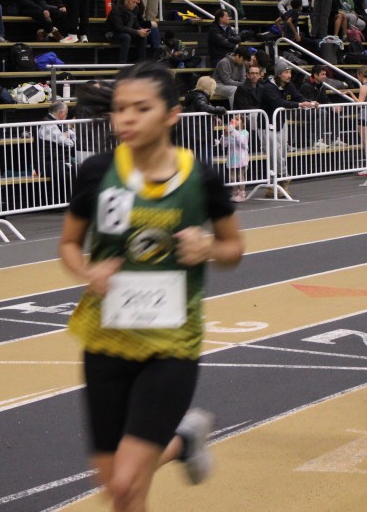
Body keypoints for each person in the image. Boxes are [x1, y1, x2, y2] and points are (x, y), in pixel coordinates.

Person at [59, 61, 243, 512]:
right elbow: (68, 245)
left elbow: (234, 248)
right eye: (121, 109)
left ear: (171, 114)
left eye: (141, 109)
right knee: (118, 490)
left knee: (126, 482)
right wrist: (88, 272)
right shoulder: (97, 172)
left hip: (171, 344)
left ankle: (178, 439)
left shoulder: (200, 177)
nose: (127, 118)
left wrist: (208, 248)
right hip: (106, 340)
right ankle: (182, 441)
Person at [106, 0, 149, 64]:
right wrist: (137, 31)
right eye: (133, 2)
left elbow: (136, 25)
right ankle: (122, 63)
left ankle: (141, 63)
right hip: (112, 33)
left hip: (126, 32)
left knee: (142, 36)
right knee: (126, 37)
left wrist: (142, 30)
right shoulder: (116, 10)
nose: (135, 4)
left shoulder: (134, 9)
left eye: (135, 2)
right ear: (126, 1)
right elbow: (119, 28)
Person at [221, 115, 251, 202]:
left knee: (240, 176)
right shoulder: (231, 132)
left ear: (243, 123)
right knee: (232, 177)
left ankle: (242, 193)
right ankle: (234, 192)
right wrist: (225, 135)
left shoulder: (245, 132)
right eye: (233, 119)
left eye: (237, 119)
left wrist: (233, 131)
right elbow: (224, 144)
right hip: (232, 158)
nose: (234, 121)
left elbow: (242, 143)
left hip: (241, 159)